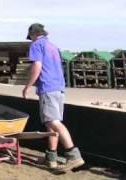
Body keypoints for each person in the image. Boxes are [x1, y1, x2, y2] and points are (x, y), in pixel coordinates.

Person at [22, 23, 84, 171]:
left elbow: (37, 66)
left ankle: (73, 155)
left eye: (30, 37)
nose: (30, 39)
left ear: (33, 34)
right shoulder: (53, 47)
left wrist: (27, 86)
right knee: (51, 124)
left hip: (48, 88)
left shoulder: (36, 45)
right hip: (59, 88)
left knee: (53, 122)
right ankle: (51, 158)